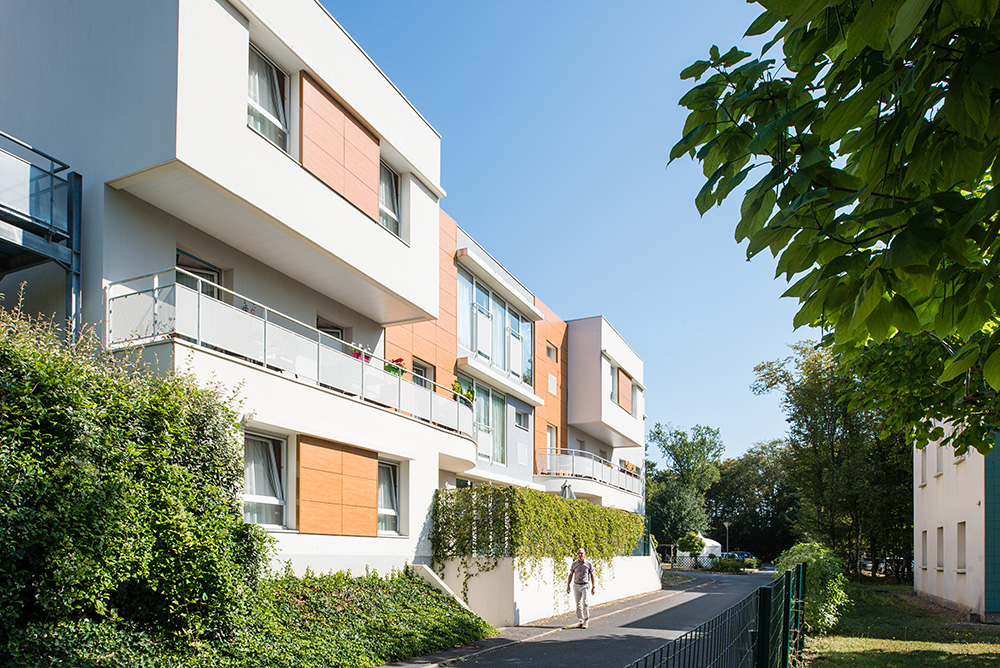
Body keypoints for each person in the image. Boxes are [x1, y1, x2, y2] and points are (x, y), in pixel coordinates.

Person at [566, 547, 596, 628]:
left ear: (584, 554)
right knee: (578, 604)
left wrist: (593, 586)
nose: (580, 555)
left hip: (585, 585)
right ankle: (581, 621)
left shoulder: (588, 564)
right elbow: (571, 574)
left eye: (581, 553)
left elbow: (592, 575)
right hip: (576, 585)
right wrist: (568, 585)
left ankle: (586, 621)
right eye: (578, 553)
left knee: (585, 603)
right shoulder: (574, 564)